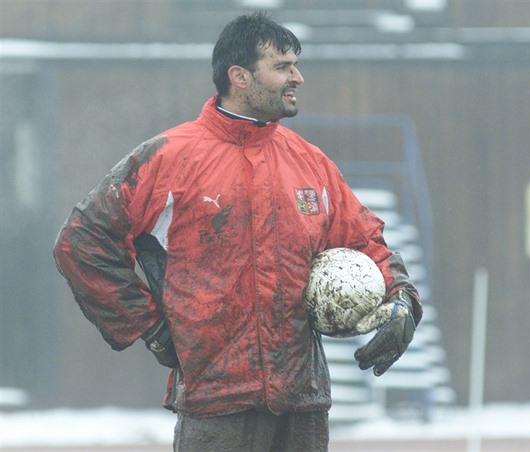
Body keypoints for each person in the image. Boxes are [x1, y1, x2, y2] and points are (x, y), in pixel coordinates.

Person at [53, 12, 422, 451]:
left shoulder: (311, 162)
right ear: (239, 76)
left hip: (303, 406)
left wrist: (401, 300)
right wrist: (148, 326)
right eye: (283, 66)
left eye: (296, 65)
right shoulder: (169, 157)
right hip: (216, 407)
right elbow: (81, 241)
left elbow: (367, 242)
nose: (298, 77)